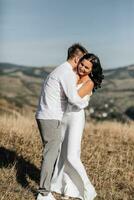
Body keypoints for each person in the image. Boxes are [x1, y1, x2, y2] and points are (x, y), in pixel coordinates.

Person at [35, 44, 94, 200]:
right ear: (76, 58)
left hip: (46, 115)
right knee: (51, 154)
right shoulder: (66, 73)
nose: (83, 64)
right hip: (51, 117)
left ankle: (49, 186)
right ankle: (44, 193)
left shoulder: (60, 70)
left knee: (53, 153)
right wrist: (85, 103)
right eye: (82, 60)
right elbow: (74, 98)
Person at [50, 53, 104, 200]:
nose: (82, 68)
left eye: (87, 67)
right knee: (62, 154)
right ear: (78, 61)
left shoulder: (90, 82)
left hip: (75, 119)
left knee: (72, 155)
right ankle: (64, 186)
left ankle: (88, 190)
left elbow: (72, 98)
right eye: (81, 64)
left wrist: (68, 84)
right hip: (64, 116)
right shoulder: (72, 73)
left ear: (92, 70)